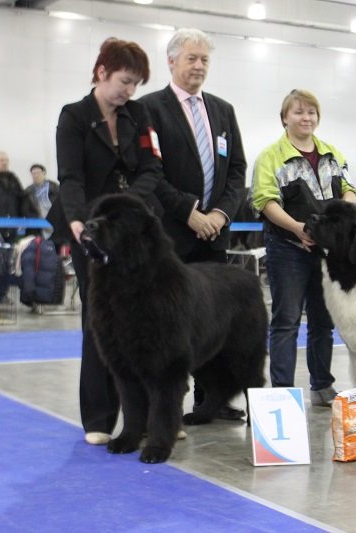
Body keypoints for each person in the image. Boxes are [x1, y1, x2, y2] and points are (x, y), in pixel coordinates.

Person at [46, 37, 185, 446]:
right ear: (102, 72)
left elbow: (152, 168)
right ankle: (100, 416)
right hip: (91, 228)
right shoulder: (73, 117)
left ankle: (160, 416)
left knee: (153, 324)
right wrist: (77, 220)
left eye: (136, 84)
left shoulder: (139, 115)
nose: (129, 91)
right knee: (100, 323)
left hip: (138, 232)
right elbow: (70, 176)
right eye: (125, 81)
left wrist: (132, 205)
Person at [140, 28, 247, 421]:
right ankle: (163, 407)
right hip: (171, 237)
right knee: (168, 326)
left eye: (204, 59)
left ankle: (211, 400)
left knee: (214, 322)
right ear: (171, 61)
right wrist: (188, 212)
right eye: (191, 58)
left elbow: (237, 171)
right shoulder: (149, 108)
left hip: (215, 236)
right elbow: (150, 173)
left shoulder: (223, 110)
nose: (199, 65)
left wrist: (220, 214)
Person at [251, 88, 356, 407]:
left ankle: (322, 384)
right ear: (285, 118)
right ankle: (283, 390)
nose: (306, 117)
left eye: (311, 112)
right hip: (287, 249)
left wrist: (343, 213)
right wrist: (297, 229)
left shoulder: (333, 154)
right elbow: (265, 200)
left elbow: (350, 189)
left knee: (323, 320)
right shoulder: (270, 157)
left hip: (326, 253)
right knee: (287, 319)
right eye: (298, 112)